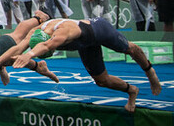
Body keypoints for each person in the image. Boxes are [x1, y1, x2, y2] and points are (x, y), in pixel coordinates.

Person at [14, 15, 162, 113]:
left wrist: (29, 55)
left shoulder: (62, 33)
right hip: (85, 44)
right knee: (102, 81)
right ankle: (132, 91)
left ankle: (150, 72)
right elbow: (18, 47)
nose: (51, 53)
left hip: (99, 30)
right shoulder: (35, 32)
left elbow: (46, 46)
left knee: (130, 49)